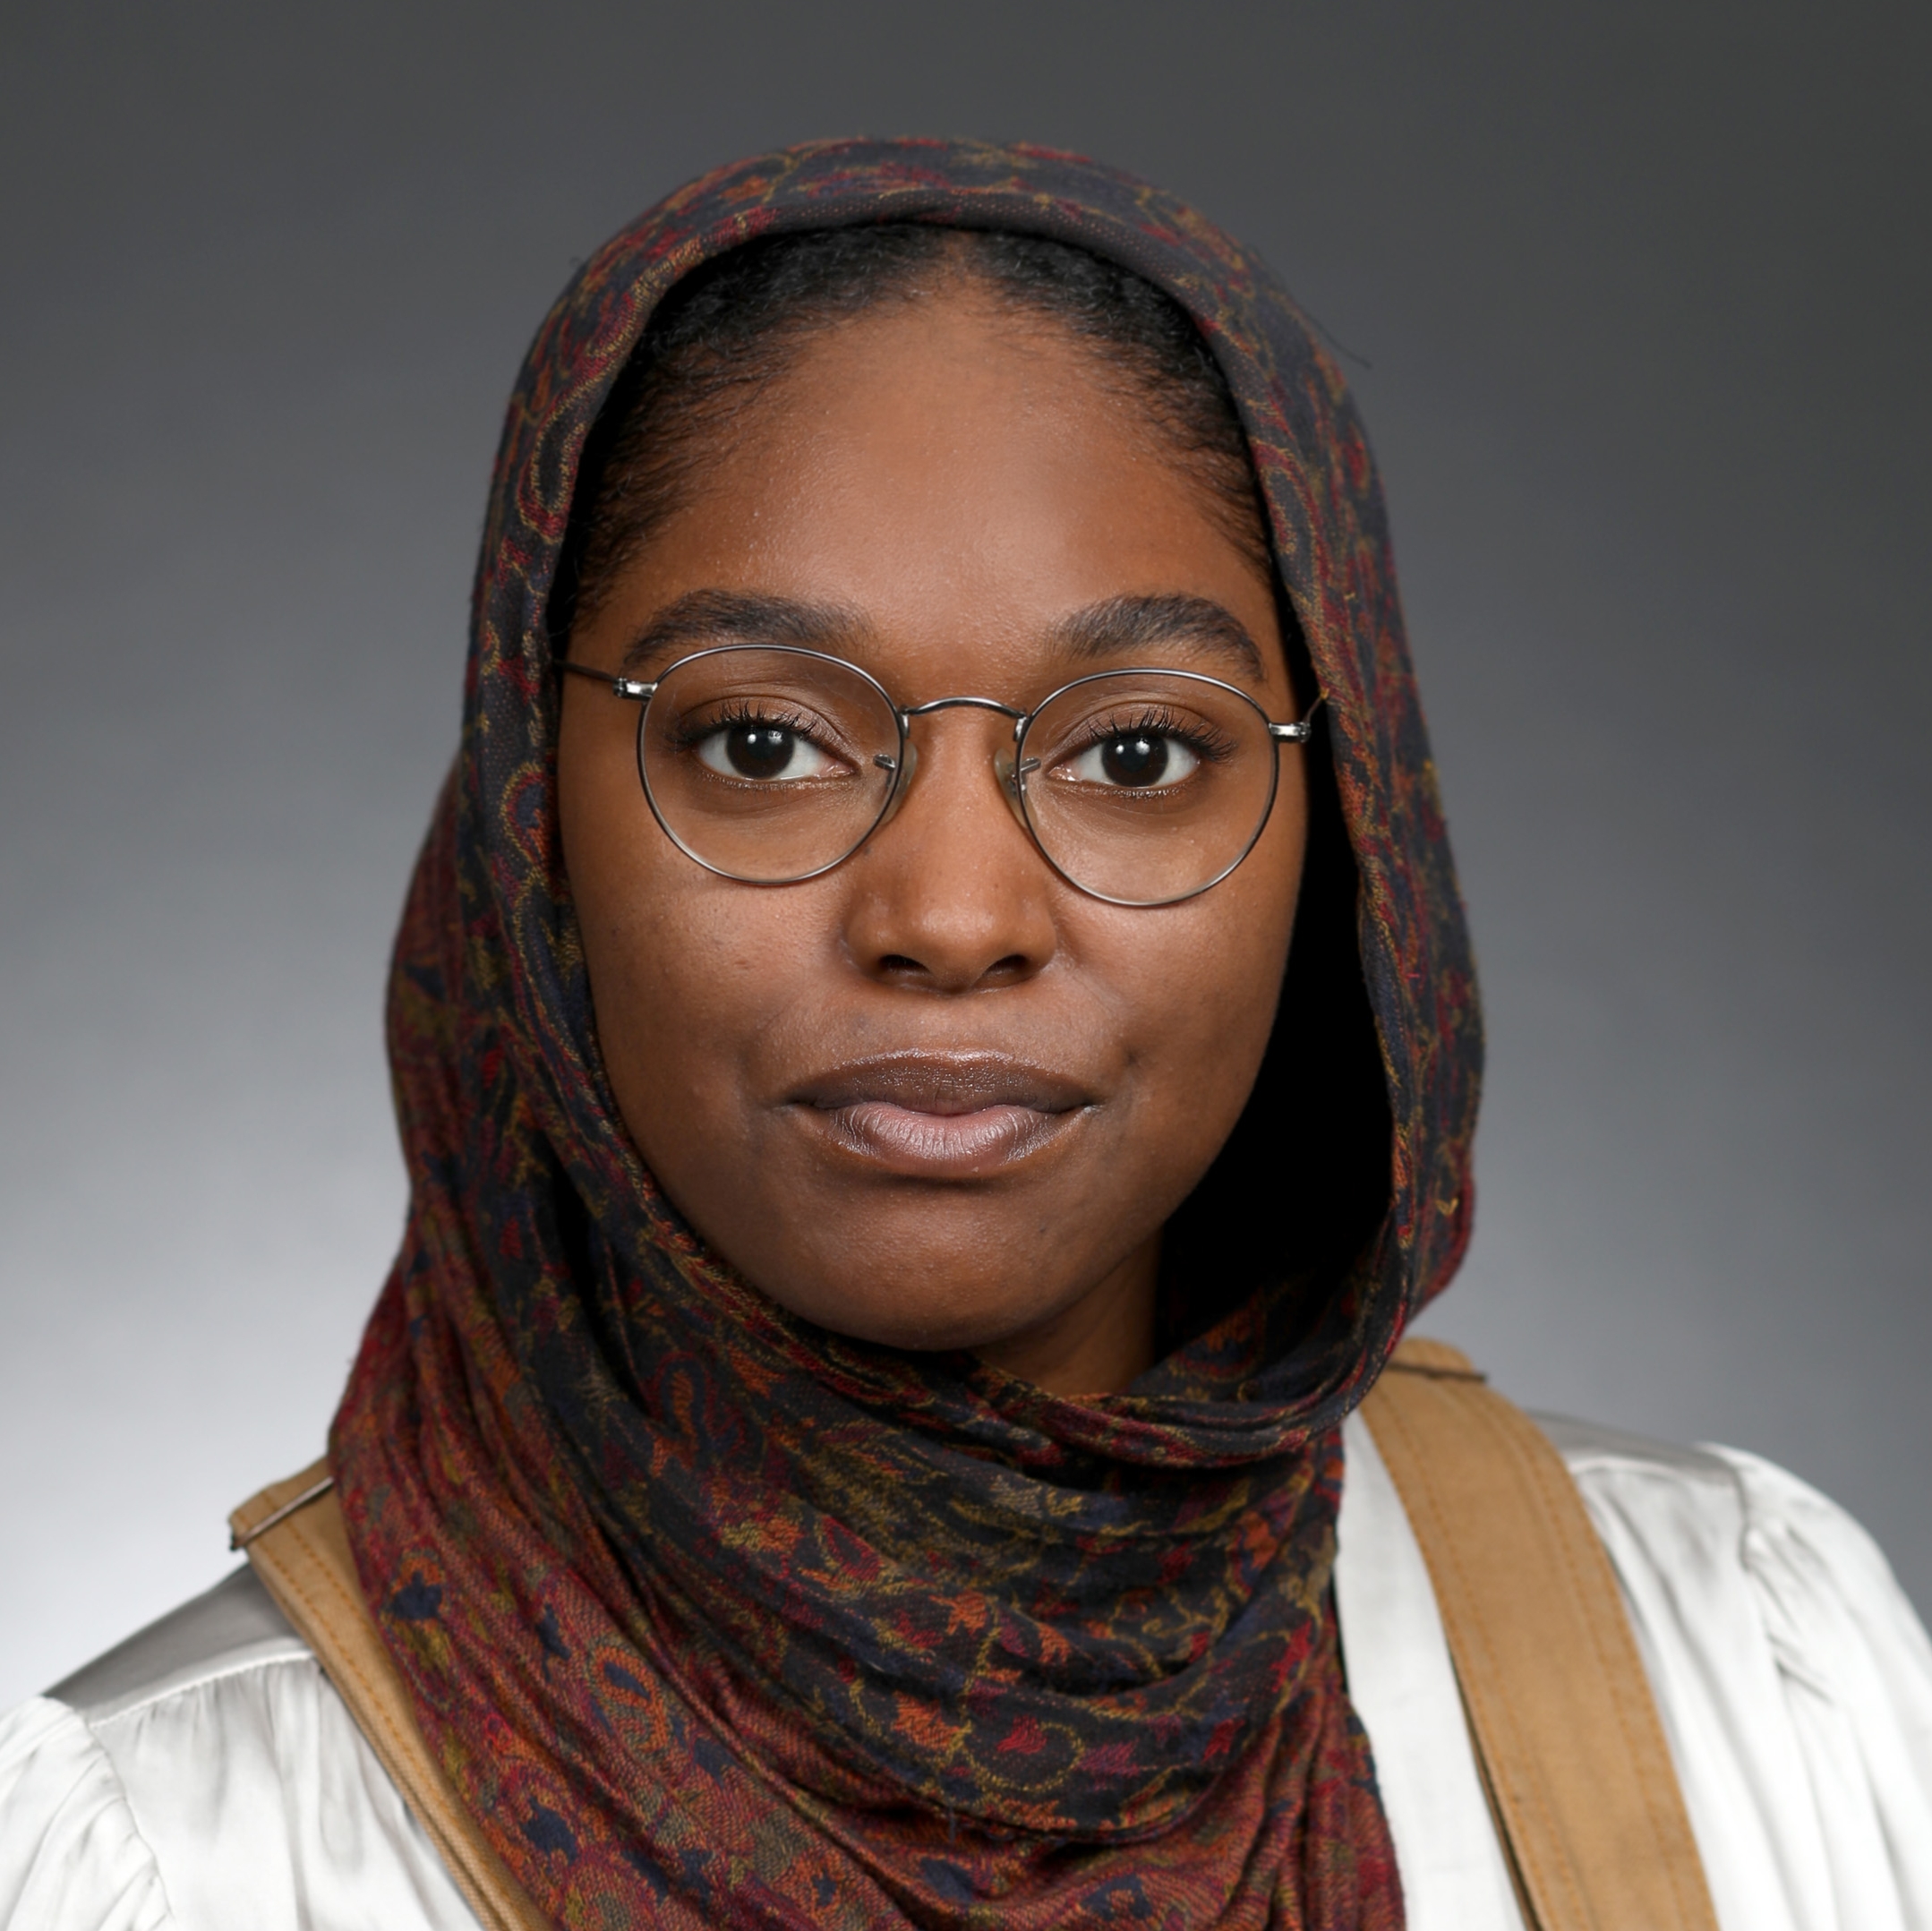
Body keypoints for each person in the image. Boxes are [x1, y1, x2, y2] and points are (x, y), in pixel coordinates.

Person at [2, 138, 1928, 1931]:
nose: (948, 915)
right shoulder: (175, 1844)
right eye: (758, 744)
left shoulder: (1728, 1671)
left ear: (1345, 837)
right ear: (533, 824)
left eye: (1134, 752)